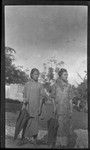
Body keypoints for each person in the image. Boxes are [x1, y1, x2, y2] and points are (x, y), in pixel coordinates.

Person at [18, 68, 47, 145]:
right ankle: (22, 139)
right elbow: (24, 96)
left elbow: (42, 98)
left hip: (36, 107)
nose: (37, 76)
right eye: (35, 74)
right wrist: (23, 107)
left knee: (35, 124)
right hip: (28, 107)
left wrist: (40, 108)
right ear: (31, 75)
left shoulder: (40, 85)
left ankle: (34, 139)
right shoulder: (27, 84)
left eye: (38, 74)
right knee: (25, 123)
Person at [50, 68, 73, 148]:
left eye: (67, 74)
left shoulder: (69, 86)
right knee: (58, 126)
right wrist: (54, 107)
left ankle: (63, 144)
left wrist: (71, 110)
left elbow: (70, 99)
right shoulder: (55, 85)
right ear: (60, 75)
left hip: (66, 110)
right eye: (65, 74)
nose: (67, 76)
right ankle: (57, 144)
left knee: (65, 127)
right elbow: (52, 97)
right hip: (58, 110)